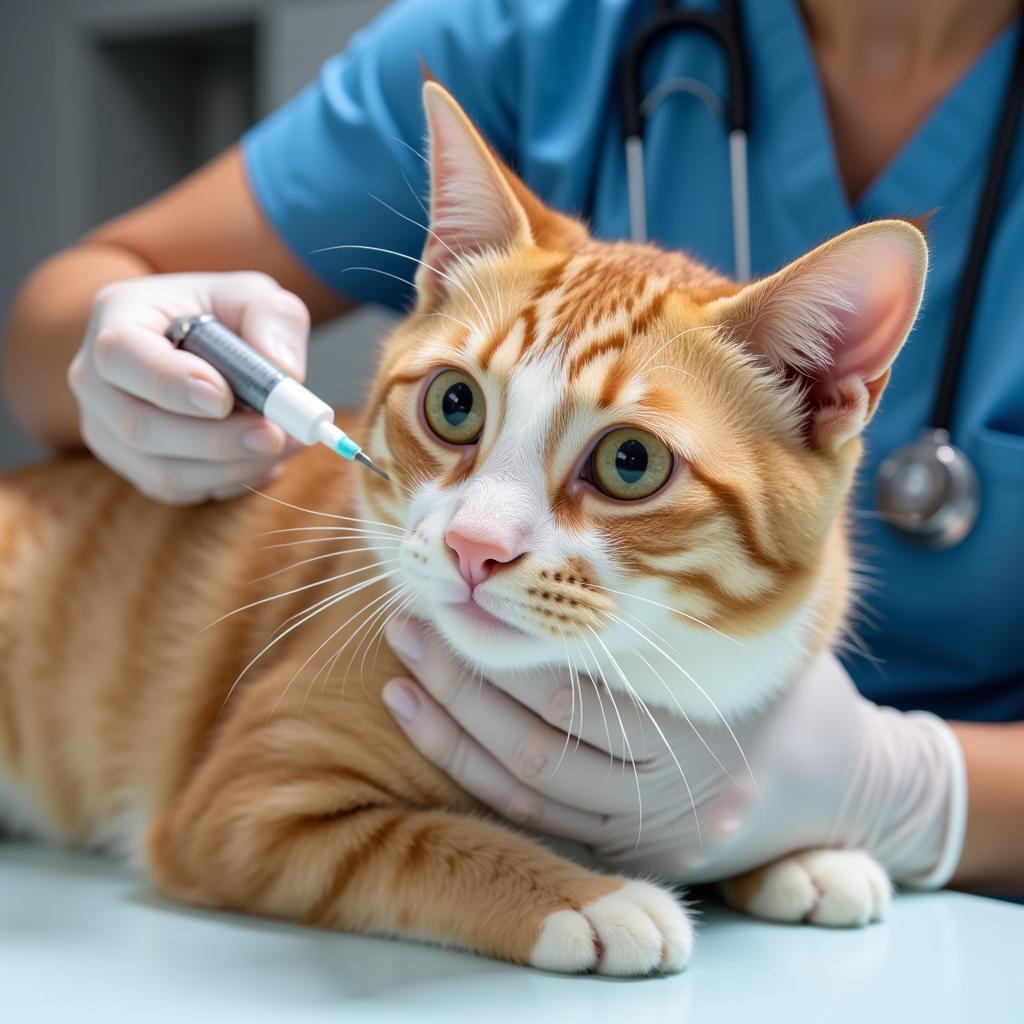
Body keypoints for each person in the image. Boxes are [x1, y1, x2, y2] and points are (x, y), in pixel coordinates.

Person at [3, 0, 1022, 894]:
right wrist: (115, 348)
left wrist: (909, 794)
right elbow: (65, 310)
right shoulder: (538, 28)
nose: (478, 538)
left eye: (628, 461)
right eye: (454, 409)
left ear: (820, 391)